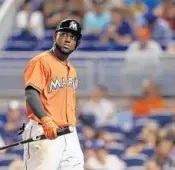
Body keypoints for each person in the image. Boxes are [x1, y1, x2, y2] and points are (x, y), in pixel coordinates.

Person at [23, 19, 84, 170]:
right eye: (64, 34)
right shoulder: (41, 61)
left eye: (73, 37)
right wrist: (45, 120)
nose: (68, 39)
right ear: (55, 36)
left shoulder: (72, 69)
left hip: (69, 133)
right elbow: (31, 94)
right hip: (44, 130)